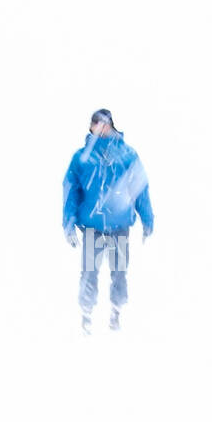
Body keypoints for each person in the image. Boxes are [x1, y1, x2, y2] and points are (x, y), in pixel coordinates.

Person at [62, 108, 154, 334]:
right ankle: (86, 316)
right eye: (96, 123)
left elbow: (140, 188)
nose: (101, 127)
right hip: (92, 226)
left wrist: (147, 217)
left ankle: (116, 312)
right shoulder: (81, 158)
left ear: (112, 125)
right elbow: (71, 190)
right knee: (89, 272)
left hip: (120, 225)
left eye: (105, 123)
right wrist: (68, 221)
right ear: (91, 127)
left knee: (120, 270)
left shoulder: (127, 155)